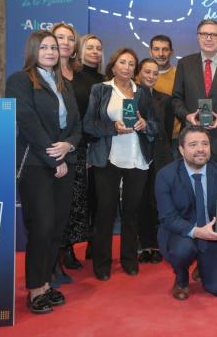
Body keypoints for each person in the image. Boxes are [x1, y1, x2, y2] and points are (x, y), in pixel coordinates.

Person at [6, 30, 81, 313]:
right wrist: (55, 157)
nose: (51, 51)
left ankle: (47, 285)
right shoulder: (20, 80)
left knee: (57, 227)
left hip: (65, 161)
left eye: (54, 46)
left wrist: (69, 146)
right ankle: (35, 288)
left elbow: (76, 125)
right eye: (45, 47)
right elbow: (28, 123)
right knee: (42, 225)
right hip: (37, 164)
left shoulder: (63, 83)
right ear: (33, 50)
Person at [83, 48, 158, 281]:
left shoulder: (143, 92)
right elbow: (88, 124)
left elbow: (156, 126)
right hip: (108, 159)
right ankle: (102, 263)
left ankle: (129, 259)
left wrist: (145, 125)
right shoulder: (101, 90)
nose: (126, 67)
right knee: (105, 211)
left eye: (131, 63)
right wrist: (112, 128)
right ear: (113, 66)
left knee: (131, 212)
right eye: (122, 62)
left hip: (137, 159)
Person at [155, 125, 217, 300]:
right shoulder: (166, 175)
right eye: (193, 145)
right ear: (181, 150)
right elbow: (168, 218)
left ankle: (203, 263)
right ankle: (181, 277)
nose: (200, 149)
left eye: (204, 144)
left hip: (213, 235)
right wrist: (198, 232)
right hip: (182, 234)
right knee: (182, 250)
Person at [60, 33, 105, 271]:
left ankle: (93, 244)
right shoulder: (72, 77)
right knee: (74, 200)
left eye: (99, 48)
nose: (95, 52)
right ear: (80, 49)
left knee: (96, 198)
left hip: (98, 145)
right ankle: (66, 248)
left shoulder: (105, 79)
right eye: (90, 47)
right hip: (76, 144)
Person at [172, 19, 217, 168]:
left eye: (214, 35)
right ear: (198, 37)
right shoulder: (184, 63)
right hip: (191, 141)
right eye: (204, 34)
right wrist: (187, 115)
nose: (209, 38)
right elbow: (176, 99)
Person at [51, 22, 82, 281]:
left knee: (71, 206)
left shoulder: (78, 75)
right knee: (50, 211)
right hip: (51, 153)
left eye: (69, 38)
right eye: (59, 37)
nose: (64, 42)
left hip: (77, 147)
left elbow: (77, 118)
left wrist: (72, 144)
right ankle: (51, 263)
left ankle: (65, 251)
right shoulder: (38, 76)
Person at [136, 58, 174, 264]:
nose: (151, 76)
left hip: (160, 156)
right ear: (139, 73)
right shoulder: (130, 96)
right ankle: (143, 245)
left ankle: (157, 244)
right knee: (140, 201)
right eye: (147, 72)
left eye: (155, 73)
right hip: (137, 156)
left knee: (158, 201)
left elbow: (166, 130)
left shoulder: (165, 100)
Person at [149, 34, 180, 156]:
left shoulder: (179, 76)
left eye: (165, 49)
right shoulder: (139, 77)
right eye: (156, 49)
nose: (160, 54)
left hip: (173, 139)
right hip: (146, 136)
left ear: (171, 52)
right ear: (150, 51)